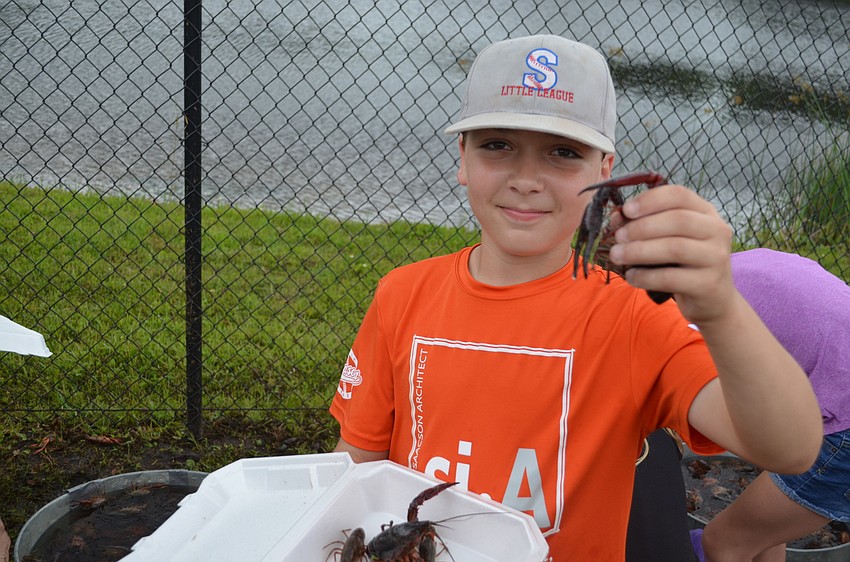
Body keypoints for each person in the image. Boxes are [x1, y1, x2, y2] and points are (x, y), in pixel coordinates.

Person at [328, 34, 822, 560]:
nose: (526, 179)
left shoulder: (633, 316)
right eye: (497, 144)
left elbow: (788, 448)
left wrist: (722, 308)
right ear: (463, 158)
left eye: (563, 153)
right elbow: (356, 459)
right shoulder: (402, 294)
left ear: (604, 171)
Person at [697, 248, 850, 561]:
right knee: (761, 535)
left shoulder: (694, 314)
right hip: (836, 396)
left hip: (843, 427)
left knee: (723, 543)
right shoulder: (746, 263)